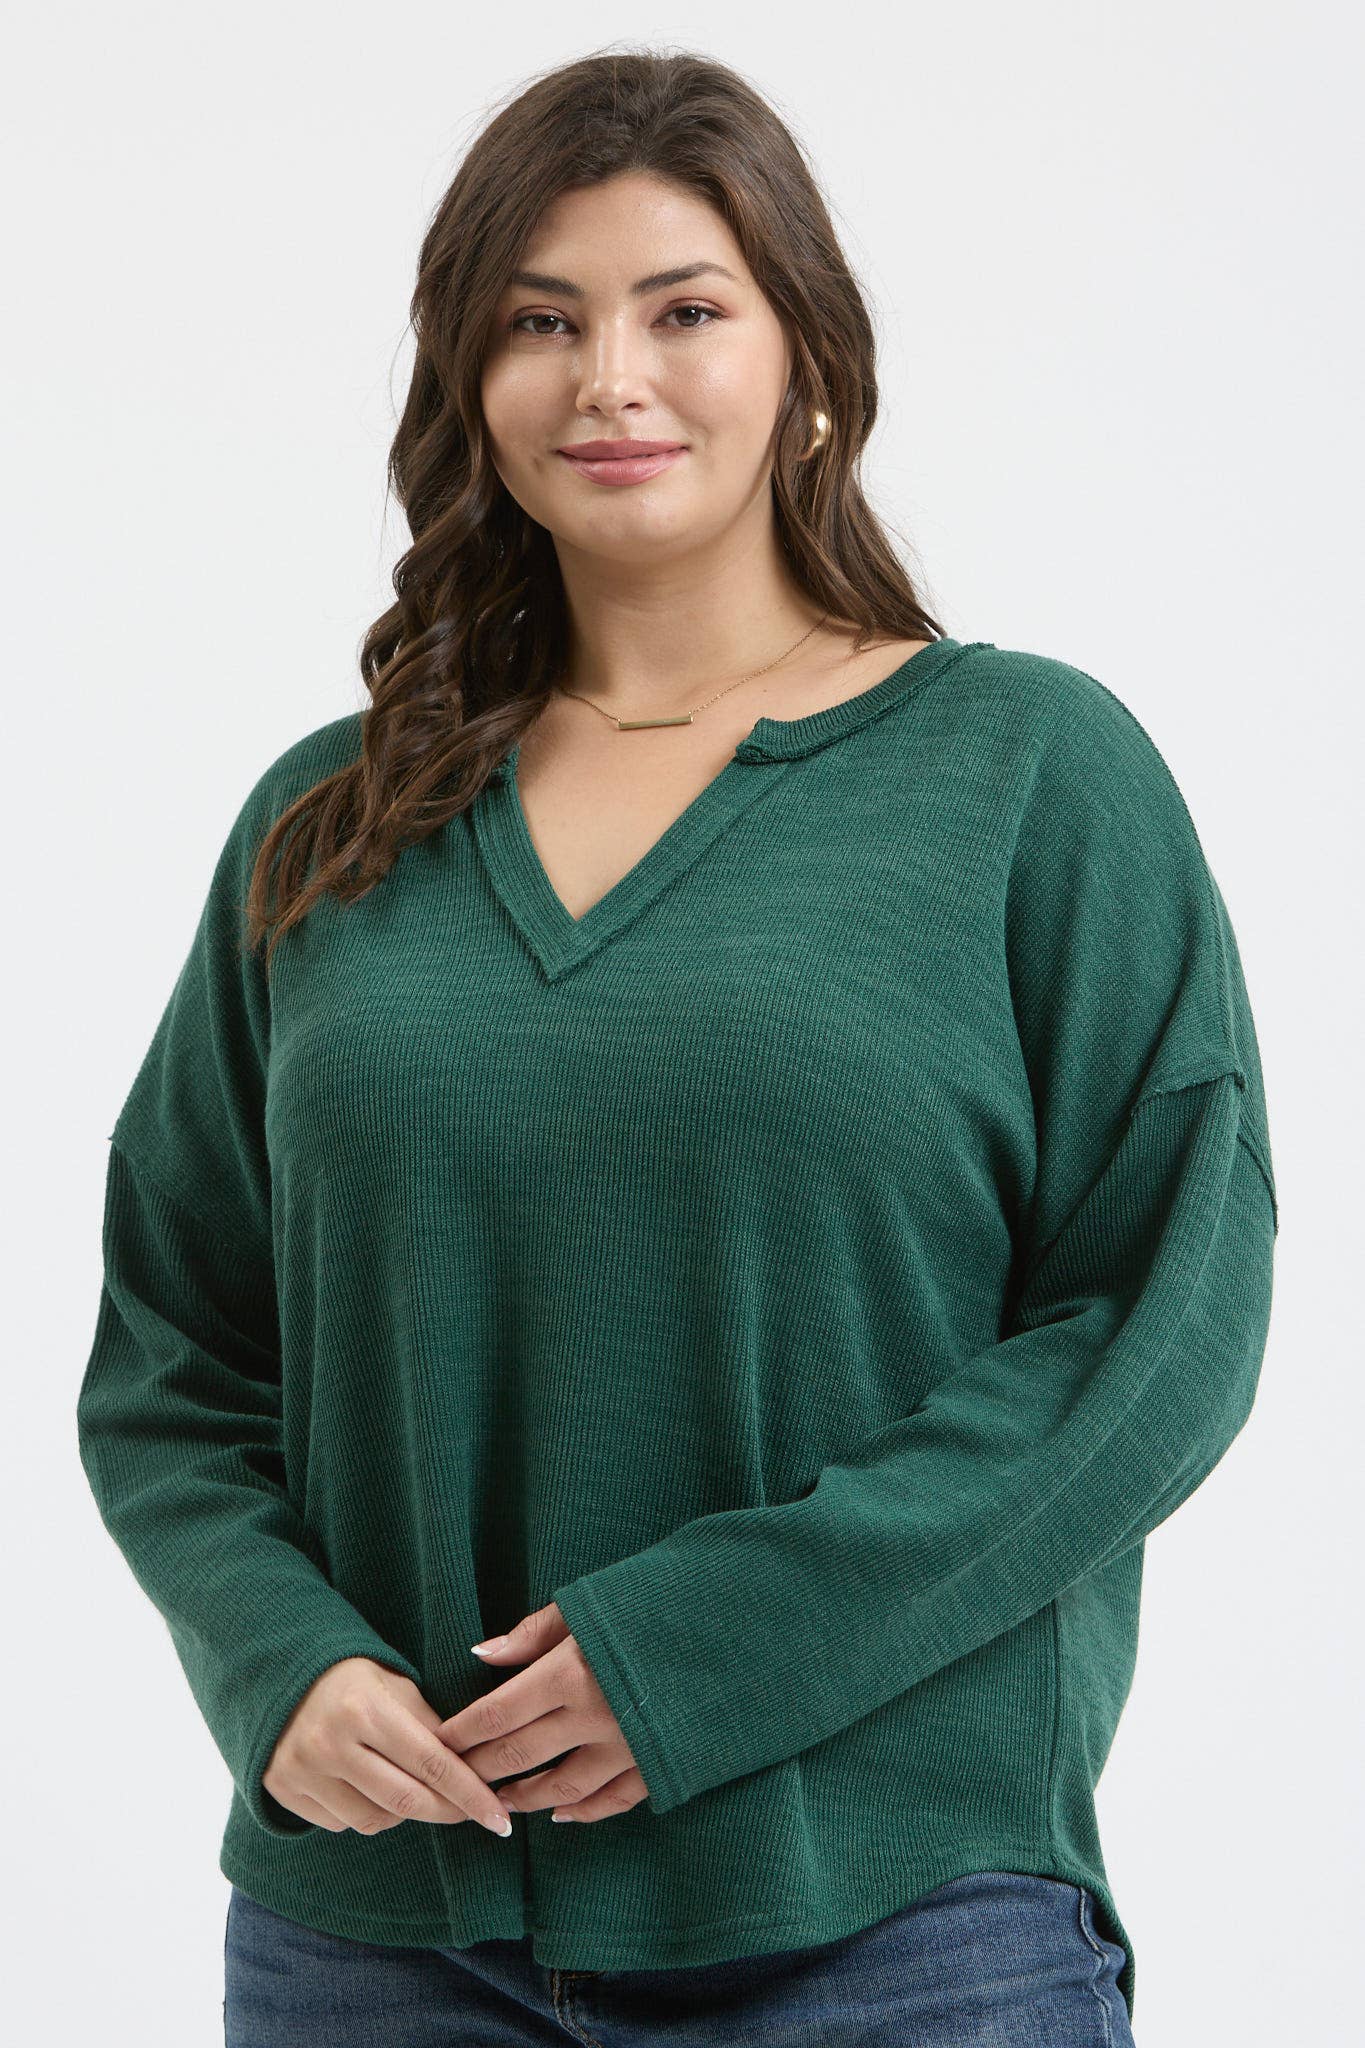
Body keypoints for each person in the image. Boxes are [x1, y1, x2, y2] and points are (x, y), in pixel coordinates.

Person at [76, 47, 1277, 2048]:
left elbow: (1158, 1319)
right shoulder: (327, 825)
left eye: (683, 310)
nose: (608, 379)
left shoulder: (1025, 775)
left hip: (887, 1927)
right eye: (538, 322)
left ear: (806, 359)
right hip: (376, 1945)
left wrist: (708, 1653)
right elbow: (172, 1352)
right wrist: (277, 1661)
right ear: (469, 383)